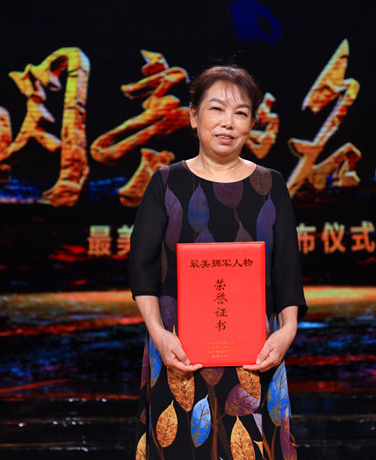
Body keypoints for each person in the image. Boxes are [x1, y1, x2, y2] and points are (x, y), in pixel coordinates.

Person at [129, 64, 308, 459]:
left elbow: (287, 270)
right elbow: (142, 269)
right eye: (216, 109)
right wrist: (158, 334)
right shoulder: (166, 183)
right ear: (193, 117)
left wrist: (287, 331)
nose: (228, 122)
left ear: (252, 124)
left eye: (241, 113)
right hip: (179, 353)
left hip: (256, 355)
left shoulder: (270, 185)